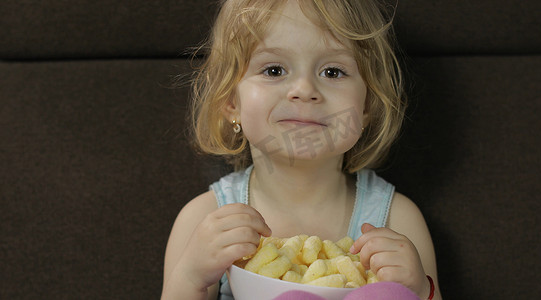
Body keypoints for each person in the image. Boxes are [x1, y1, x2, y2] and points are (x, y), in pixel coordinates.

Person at [161, 0, 441, 299]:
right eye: (274, 69)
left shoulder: (397, 219)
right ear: (231, 102)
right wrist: (192, 278)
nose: (304, 90)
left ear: (367, 106)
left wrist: (420, 289)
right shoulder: (205, 218)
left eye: (333, 72)